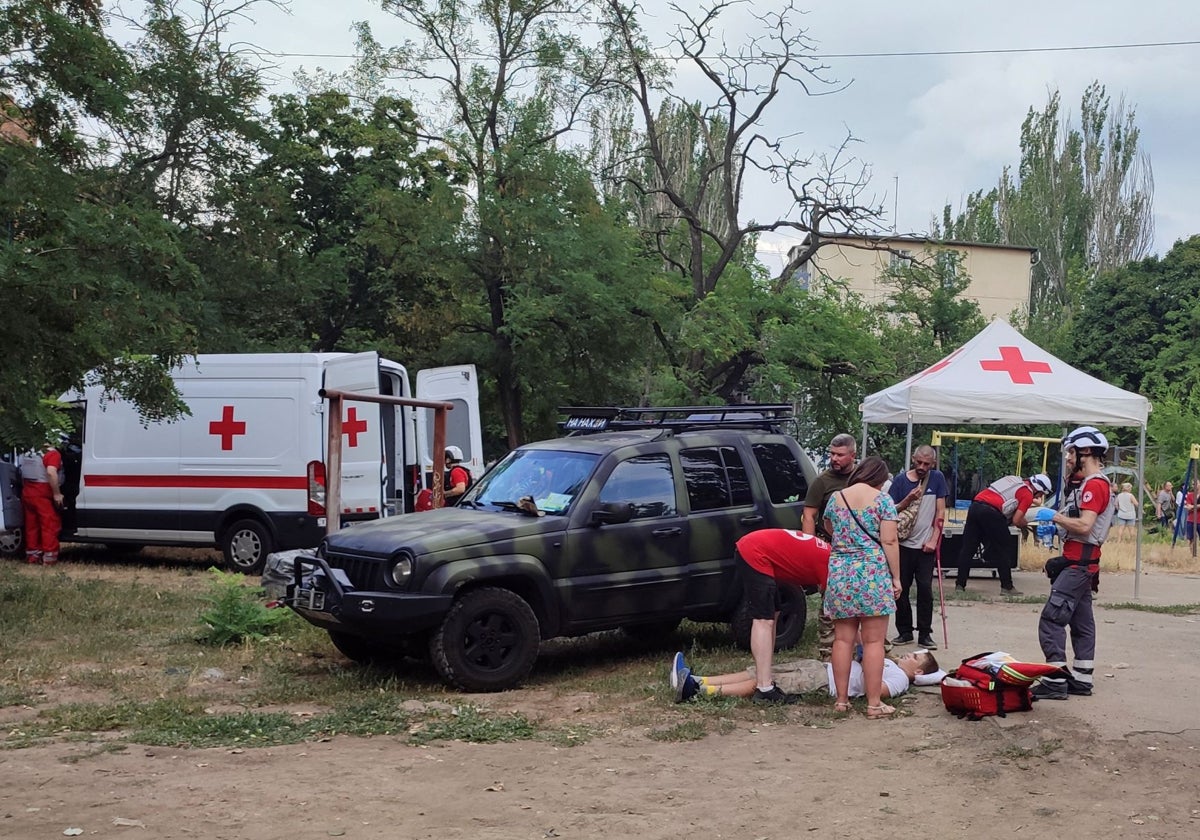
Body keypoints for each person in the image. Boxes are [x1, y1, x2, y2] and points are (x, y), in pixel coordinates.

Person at [693, 529, 832, 705]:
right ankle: (764, 688)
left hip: (757, 547)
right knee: (764, 619)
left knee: (773, 613)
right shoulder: (833, 568)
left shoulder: (830, 555)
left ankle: (764, 677)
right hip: (755, 552)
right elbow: (836, 616)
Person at [1033, 426, 1115, 700]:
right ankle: (1081, 678)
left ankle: (1055, 681)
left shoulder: (1095, 484)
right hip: (1082, 563)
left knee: (1051, 620)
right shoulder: (1090, 484)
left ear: (1086, 452)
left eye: (1071, 451)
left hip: (1080, 565)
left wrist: (1053, 517)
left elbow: (1084, 525)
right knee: (1081, 623)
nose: (1068, 458)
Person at [822, 456, 901, 719]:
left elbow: (829, 527)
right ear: (880, 478)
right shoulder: (883, 500)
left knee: (842, 639)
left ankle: (842, 701)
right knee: (874, 641)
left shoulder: (836, 498)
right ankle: (874, 703)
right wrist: (896, 577)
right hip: (872, 573)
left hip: (841, 573)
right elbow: (889, 541)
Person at [671, 648, 940, 704]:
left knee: (763, 684)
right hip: (821, 669)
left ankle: (697, 692)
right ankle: (700, 679)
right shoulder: (894, 665)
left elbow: (877, 690)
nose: (908, 655)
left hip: (824, 682)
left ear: (917, 672)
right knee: (760, 671)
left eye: (914, 658)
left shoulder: (901, 680)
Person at [888, 445, 949, 649]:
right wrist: (908, 499)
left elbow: (940, 512)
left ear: (933, 463)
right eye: (919, 462)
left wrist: (934, 539)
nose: (922, 467)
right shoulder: (899, 481)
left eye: (927, 463)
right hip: (902, 545)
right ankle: (904, 631)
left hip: (925, 546)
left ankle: (925, 633)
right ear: (913, 459)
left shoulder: (937, 478)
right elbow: (890, 510)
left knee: (925, 590)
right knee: (901, 589)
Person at [802, 433, 856, 661]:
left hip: (857, 548)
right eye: (832, 454)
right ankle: (827, 652)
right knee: (830, 601)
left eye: (840, 455)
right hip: (830, 547)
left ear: (852, 455)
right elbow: (808, 515)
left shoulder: (862, 477)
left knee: (857, 600)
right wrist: (811, 549)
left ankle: (857, 650)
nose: (835, 458)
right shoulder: (822, 481)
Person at [953, 472, 1052, 595]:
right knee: (1004, 547)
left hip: (976, 505)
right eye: (1041, 493)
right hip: (992, 512)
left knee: (968, 549)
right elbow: (1017, 520)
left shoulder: (1014, 479)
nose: (1039, 497)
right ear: (1037, 489)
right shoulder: (1027, 493)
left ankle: (960, 585)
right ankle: (1007, 587)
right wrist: (1025, 523)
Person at [20, 441, 64, 566]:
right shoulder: (52, 454)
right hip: (43, 493)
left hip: (28, 492)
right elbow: (51, 472)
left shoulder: (29, 452)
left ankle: (33, 556)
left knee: (31, 526)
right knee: (49, 524)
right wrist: (57, 494)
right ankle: (49, 558)